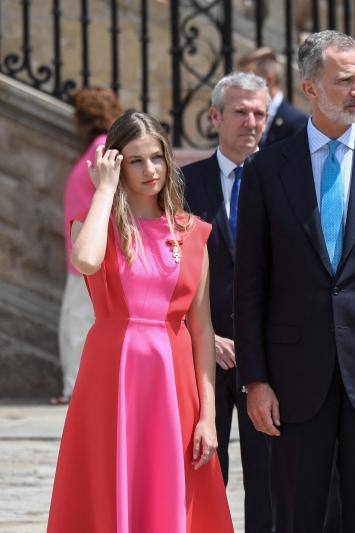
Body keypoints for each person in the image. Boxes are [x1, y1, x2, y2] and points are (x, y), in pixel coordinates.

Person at [234, 30, 355, 533]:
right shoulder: (265, 170)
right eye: (345, 80)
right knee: (298, 515)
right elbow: (250, 284)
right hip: (293, 381)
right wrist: (255, 380)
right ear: (311, 89)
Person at [48, 111, 233, 532]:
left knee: (172, 489)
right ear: (116, 164)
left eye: (156, 158)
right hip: (110, 378)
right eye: (135, 160)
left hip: (173, 380)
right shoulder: (95, 226)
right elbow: (86, 260)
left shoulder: (192, 233)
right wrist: (104, 191)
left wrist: (208, 415)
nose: (150, 170)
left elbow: (203, 330)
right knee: (107, 485)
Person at [182, 72, 272, 533]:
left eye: (260, 112)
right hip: (204, 353)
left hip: (270, 357)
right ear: (215, 116)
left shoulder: (284, 180)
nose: (251, 121)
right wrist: (206, 334)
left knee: (269, 478)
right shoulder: (182, 184)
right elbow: (169, 271)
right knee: (203, 467)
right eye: (240, 111)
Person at [54, 87, 122, 405]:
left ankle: (77, 390)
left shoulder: (101, 148)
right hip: (86, 249)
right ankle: (77, 388)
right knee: (76, 322)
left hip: (92, 251)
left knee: (79, 324)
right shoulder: (103, 146)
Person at [238, 47, 308, 147]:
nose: (242, 86)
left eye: (248, 80)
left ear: (268, 80)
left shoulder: (295, 122)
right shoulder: (242, 117)